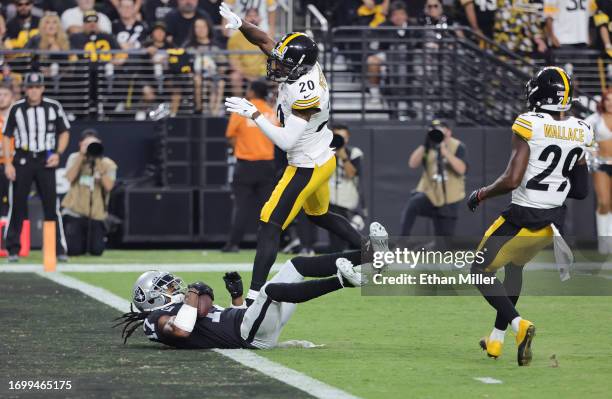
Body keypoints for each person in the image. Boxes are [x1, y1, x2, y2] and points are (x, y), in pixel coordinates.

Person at [220, 3, 375, 305]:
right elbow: (266, 41)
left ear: (299, 67)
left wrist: (255, 114)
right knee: (318, 215)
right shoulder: (301, 65)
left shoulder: (307, 92)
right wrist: (241, 24)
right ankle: (372, 251)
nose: (274, 66)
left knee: (269, 223)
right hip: (322, 156)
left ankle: (253, 298)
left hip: (305, 163)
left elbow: (286, 142)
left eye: (282, 64)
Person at [466, 67, 593, 366]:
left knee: (478, 271)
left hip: (522, 215)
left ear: (540, 93)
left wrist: (481, 193)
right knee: (514, 268)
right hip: (552, 224)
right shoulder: (583, 129)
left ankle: (518, 325)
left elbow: (512, 179)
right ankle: (496, 340)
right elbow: (582, 190)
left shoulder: (529, 123)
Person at [115, 250, 367, 348]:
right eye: (165, 286)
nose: (173, 286)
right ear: (151, 298)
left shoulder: (185, 307)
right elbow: (181, 330)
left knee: (296, 265)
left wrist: (236, 298)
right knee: (271, 291)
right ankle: (343, 281)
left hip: (248, 324)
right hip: (248, 335)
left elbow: (219, 319)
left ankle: (368, 254)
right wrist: (192, 294)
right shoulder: (157, 318)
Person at [2, 72, 70, 262]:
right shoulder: (16, 109)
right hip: (22, 159)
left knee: (51, 206)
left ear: (42, 88)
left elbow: (64, 132)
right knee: (17, 205)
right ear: (26, 89)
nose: (33, 91)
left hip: (45, 160)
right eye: (30, 87)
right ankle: (13, 249)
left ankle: (58, 249)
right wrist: (8, 163)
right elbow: (7, 136)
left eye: (37, 87)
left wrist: (58, 153)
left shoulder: (53, 107)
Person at [223, 80, 276, 253]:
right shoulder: (271, 111)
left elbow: (230, 136)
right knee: (269, 208)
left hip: (245, 165)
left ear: (252, 92)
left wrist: (238, 147)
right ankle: (272, 243)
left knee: (241, 207)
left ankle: (233, 244)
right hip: (267, 165)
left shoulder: (242, 110)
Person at [400, 119, 467, 237]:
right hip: (430, 194)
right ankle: (402, 241)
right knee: (412, 205)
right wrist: (426, 143)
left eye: (441, 130)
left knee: (443, 246)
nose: (438, 133)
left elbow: (462, 170)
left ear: (449, 132)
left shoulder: (457, 146)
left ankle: (426, 248)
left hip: (450, 198)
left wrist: (445, 152)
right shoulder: (428, 145)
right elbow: (412, 163)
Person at [62, 129, 117, 256]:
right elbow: (69, 178)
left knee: (97, 251)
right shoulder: (74, 158)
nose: (90, 147)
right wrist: (81, 157)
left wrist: (98, 162)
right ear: (80, 144)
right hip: (74, 212)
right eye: (86, 144)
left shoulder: (108, 164)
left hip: (96, 214)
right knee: (73, 251)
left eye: (93, 144)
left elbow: (109, 186)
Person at [328, 124, 364, 252]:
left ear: (347, 138)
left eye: (343, 137)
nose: (340, 140)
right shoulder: (324, 151)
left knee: (344, 235)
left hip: (347, 202)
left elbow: (351, 174)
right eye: (337, 136)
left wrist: (343, 156)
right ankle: (306, 247)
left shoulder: (354, 152)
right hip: (328, 199)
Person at [585, 89, 612, 253]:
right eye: (608, 100)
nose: (610, 103)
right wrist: (591, 150)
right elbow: (582, 132)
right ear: (603, 101)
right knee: (604, 202)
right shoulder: (595, 119)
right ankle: (604, 243)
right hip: (601, 165)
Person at [227, 8, 267, 97]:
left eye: (255, 16)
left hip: (262, 74)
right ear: (244, 19)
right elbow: (234, 63)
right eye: (249, 16)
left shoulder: (266, 36)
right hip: (243, 75)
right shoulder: (235, 38)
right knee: (235, 76)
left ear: (260, 19)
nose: (252, 19)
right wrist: (248, 76)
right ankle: (238, 106)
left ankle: (270, 107)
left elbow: (271, 58)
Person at [0, 85, 14, 219]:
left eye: (5, 95)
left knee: (15, 203)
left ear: (12, 98)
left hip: (14, 165)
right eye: (0, 95)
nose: (1, 98)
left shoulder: (18, 117)